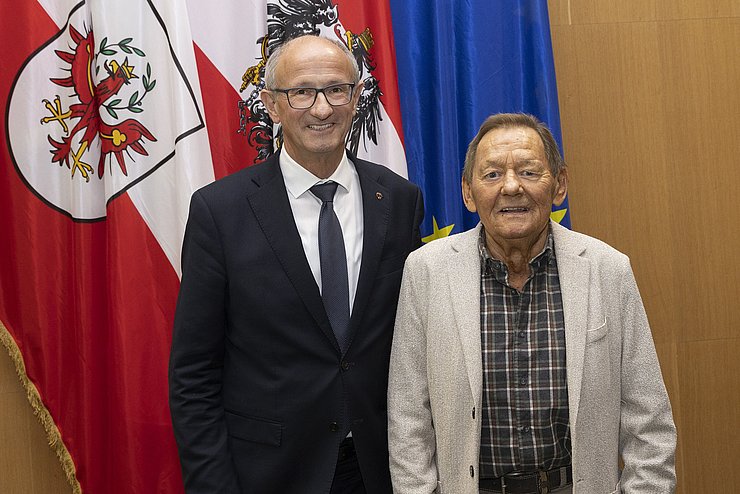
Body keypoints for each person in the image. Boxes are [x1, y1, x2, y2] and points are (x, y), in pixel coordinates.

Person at [169, 35, 424, 493]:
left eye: (336, 89)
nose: (322, 109)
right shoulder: (220, 211)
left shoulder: (399, 200)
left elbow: (413, 342)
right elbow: (194, 374)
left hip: (380, 468)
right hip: (268, 473)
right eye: (301, 92)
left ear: (357, 94)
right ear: (270, 103)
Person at [387, 113, 676, 494]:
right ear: (468, 193)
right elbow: (408, 420)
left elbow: (650, 424)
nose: (510, 187)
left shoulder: (608, 270)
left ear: (559, 185)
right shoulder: (426, 272)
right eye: (491, 175)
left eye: (528, 171)